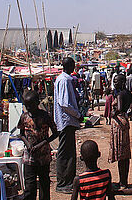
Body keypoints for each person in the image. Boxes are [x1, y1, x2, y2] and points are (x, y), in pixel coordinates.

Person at [19, 90, 59, 200]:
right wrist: (28, 145)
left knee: (44, 185)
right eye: (26, 106)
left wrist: (42, 144)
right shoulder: (24, 117)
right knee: (30, 187)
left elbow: (55, 133)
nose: (28, 108)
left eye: (30, 105)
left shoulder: (45, 116)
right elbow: (21, 134)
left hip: (43, 157)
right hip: (29, 157)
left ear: (37, 103)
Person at [54, 57, 83, 194]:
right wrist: (77, 114)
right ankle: (63, 183)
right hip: (67, 121)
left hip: (66, 121)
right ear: (70, 66)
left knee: (69, 152)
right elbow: (65, 103)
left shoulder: (63, 79)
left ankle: (68, 181)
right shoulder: (65, 80)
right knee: (65, 153)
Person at [109, 74, 132, 189]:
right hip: (125, 121)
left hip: (119, 124)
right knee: (124, 154)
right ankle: (124, 181)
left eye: (117, 82)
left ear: (122, 82)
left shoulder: (120, 94)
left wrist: (115, 113)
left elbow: (119, 108)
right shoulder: (127, 93)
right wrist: (128, 114)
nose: (115, 83)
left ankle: (122, 182)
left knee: (120, 154)